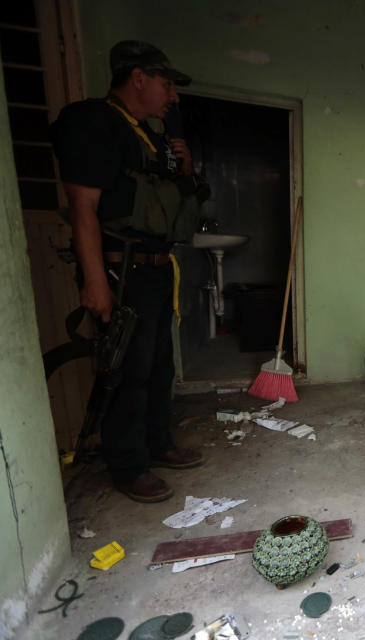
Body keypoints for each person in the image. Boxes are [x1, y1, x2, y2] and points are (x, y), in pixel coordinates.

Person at [52, 41, 208, 503]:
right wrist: (95, 279)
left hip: (158, 270)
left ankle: (158, 445)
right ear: (137, 77)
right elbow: (83, 208)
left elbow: (175, 203)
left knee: (159, 366)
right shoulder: (94, 122)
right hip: (124, 273)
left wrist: (186, 168)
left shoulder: (151, 136)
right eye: (167, 84)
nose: (173, 96)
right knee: (128, 370)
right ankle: (127, 465)